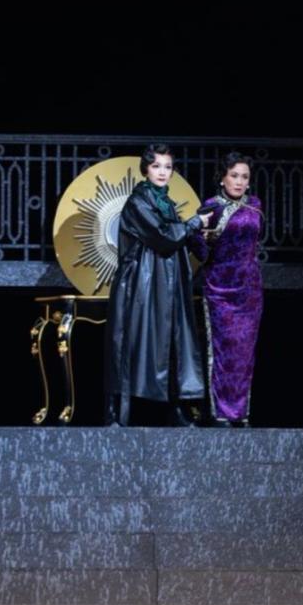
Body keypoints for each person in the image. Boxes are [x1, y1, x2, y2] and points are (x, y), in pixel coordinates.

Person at [105, 144, 211, 426]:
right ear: (146, 170)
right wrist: (192, 224)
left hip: (167, 281)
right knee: (128, 343)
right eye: (156, 166)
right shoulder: (138, 202)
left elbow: (173, 238)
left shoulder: (166, 202)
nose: (163, 172)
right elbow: (163, 236)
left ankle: (176, 408)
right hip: (141, 284)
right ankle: (116, 413)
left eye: (168, 167)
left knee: (174, 341)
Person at [198, 151, 263, 426]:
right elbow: (200, 249)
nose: (239, 181)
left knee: (244, 354)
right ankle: (221, 413)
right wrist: (200, 237)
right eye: (234, 175)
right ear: (222, 178)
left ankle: (241, 413)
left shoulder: (255, 205)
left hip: (249, 290)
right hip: (220, 289)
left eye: (244, 177)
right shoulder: (210, 207)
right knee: (223, 351)